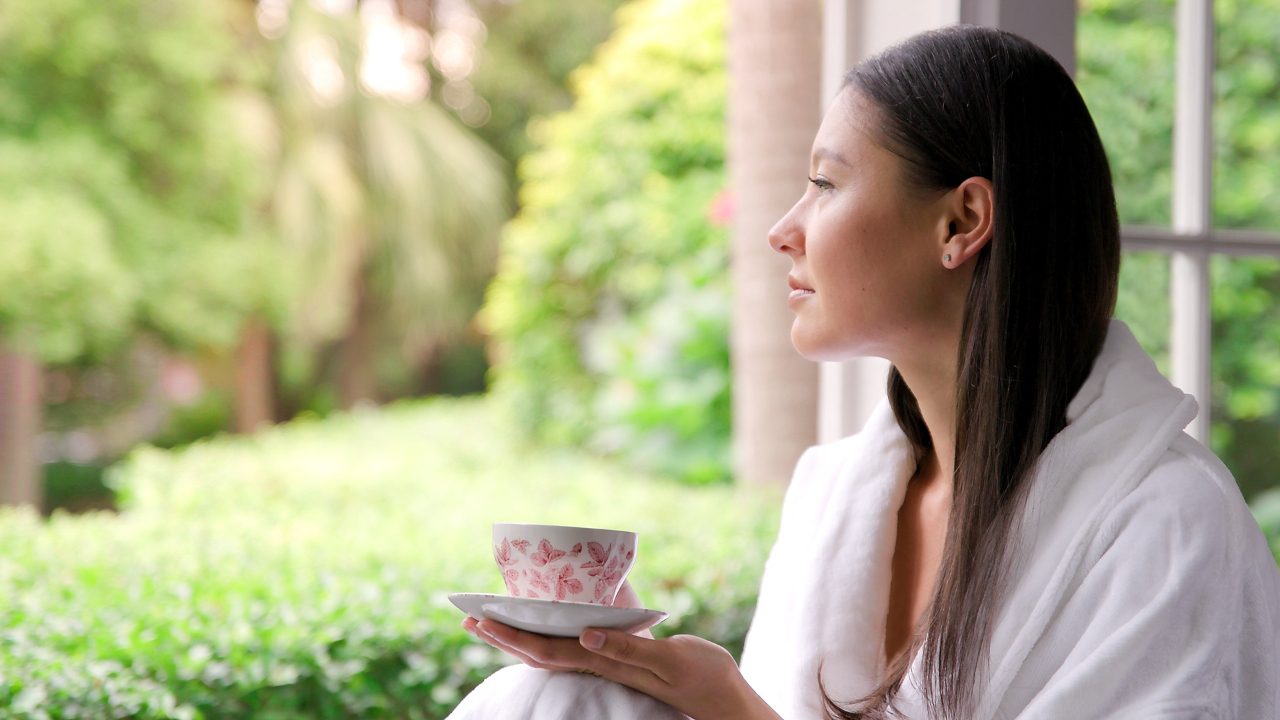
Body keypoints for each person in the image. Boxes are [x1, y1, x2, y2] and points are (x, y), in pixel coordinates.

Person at [449, 25, 1280, 719]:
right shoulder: (834, 496)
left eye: (824, 182)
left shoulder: (1167, 527)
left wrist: (733, 708)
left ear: (961, 221)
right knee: (555, 696)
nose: (783, 228)